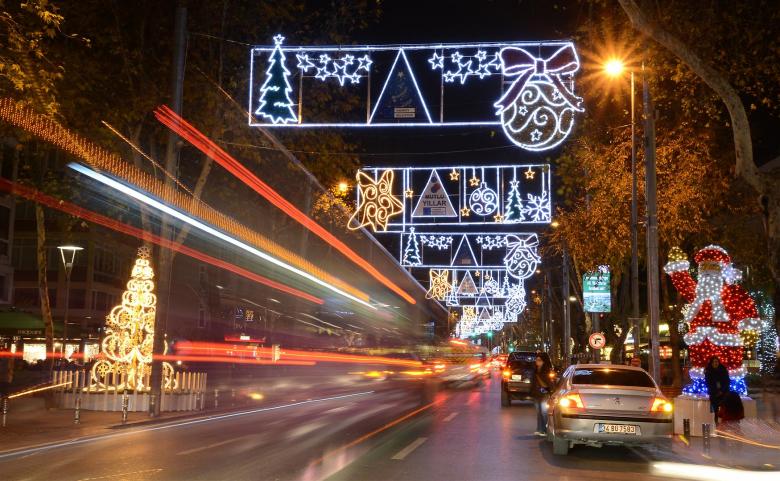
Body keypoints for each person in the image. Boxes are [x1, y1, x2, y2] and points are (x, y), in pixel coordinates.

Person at [530, 352, 554, 436]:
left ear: (543, 361)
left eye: (539, 360)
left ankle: (546, 430)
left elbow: (550, 384)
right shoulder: (535, 370)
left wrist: (550, 393)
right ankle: (539, 429)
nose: (537, 361)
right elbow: (533, 382)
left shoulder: (547, 370)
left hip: (544, 394)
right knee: (539, 412)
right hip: (536, 394)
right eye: (536, 360)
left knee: (544, 412)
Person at [704, 356, 730, 424]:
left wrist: (721, 391)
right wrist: (715, 391)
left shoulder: (723, 370)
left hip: (723, 392)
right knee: (715, 409)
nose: (715, 363)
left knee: (724, 408)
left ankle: (724, 423)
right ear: (711, 363)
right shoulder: (708, 371)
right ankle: (716, 422)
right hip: (714, 393)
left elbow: (727, 382)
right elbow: (708, 383)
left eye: (717, 362)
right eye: (714, 362)